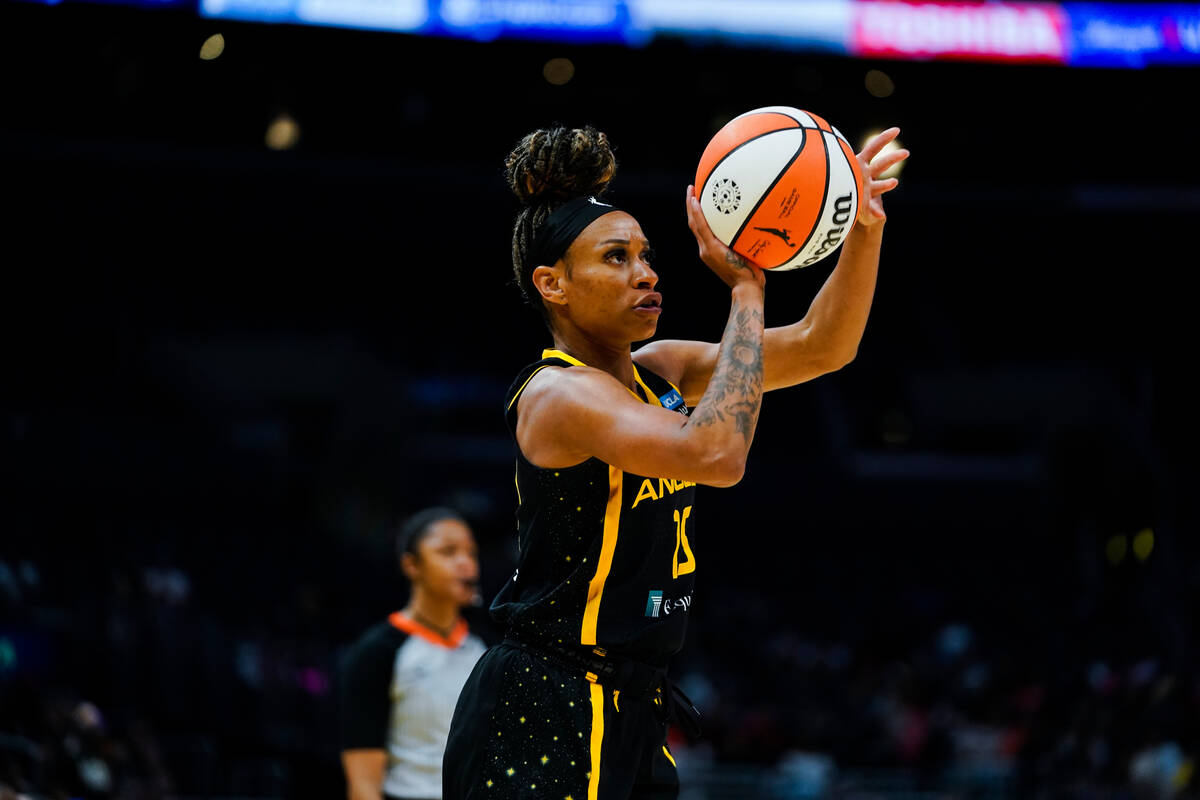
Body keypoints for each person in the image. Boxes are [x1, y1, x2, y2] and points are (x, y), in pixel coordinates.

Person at [443, 123, 908, 800]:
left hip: (632, 700)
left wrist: (862, 227)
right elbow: (716, 455)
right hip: (546, 702)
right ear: (554, 284)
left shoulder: (657, 370)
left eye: (646, 254)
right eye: (616, 258)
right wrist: (746, 293)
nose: (647, 272)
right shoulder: (558, 394)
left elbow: (823, 344)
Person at [340, 507, 489, 800]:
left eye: (471, 553)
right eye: (448, 551)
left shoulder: (487, 649)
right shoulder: (377, 653)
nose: (465, 563)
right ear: (411, 565)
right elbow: (364, 784)